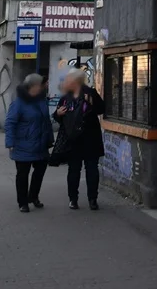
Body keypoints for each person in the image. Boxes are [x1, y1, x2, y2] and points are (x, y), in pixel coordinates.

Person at [53, 68, 105, 211]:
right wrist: (57, 114)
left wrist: (92, 103)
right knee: (74, 170)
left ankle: (92, 199)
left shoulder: (90, 93)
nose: (66, 81)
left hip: (90, 139)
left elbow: (102, 109)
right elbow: (58, 116)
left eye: (69, 79)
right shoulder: (66, 97)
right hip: (73, 140)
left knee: (92, 169)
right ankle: (73, 199)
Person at [4, 73, 54, 213]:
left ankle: (33, 196)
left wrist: (49, 139)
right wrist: (10, 142)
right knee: (22, 175)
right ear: (33, 86)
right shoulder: (19, 103)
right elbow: (10, 123)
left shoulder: (41, 101)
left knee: (40, 171)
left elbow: (46, 123)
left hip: (40, 145)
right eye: (41, 85)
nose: (43, 87)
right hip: (23, 144)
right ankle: (23, 202)